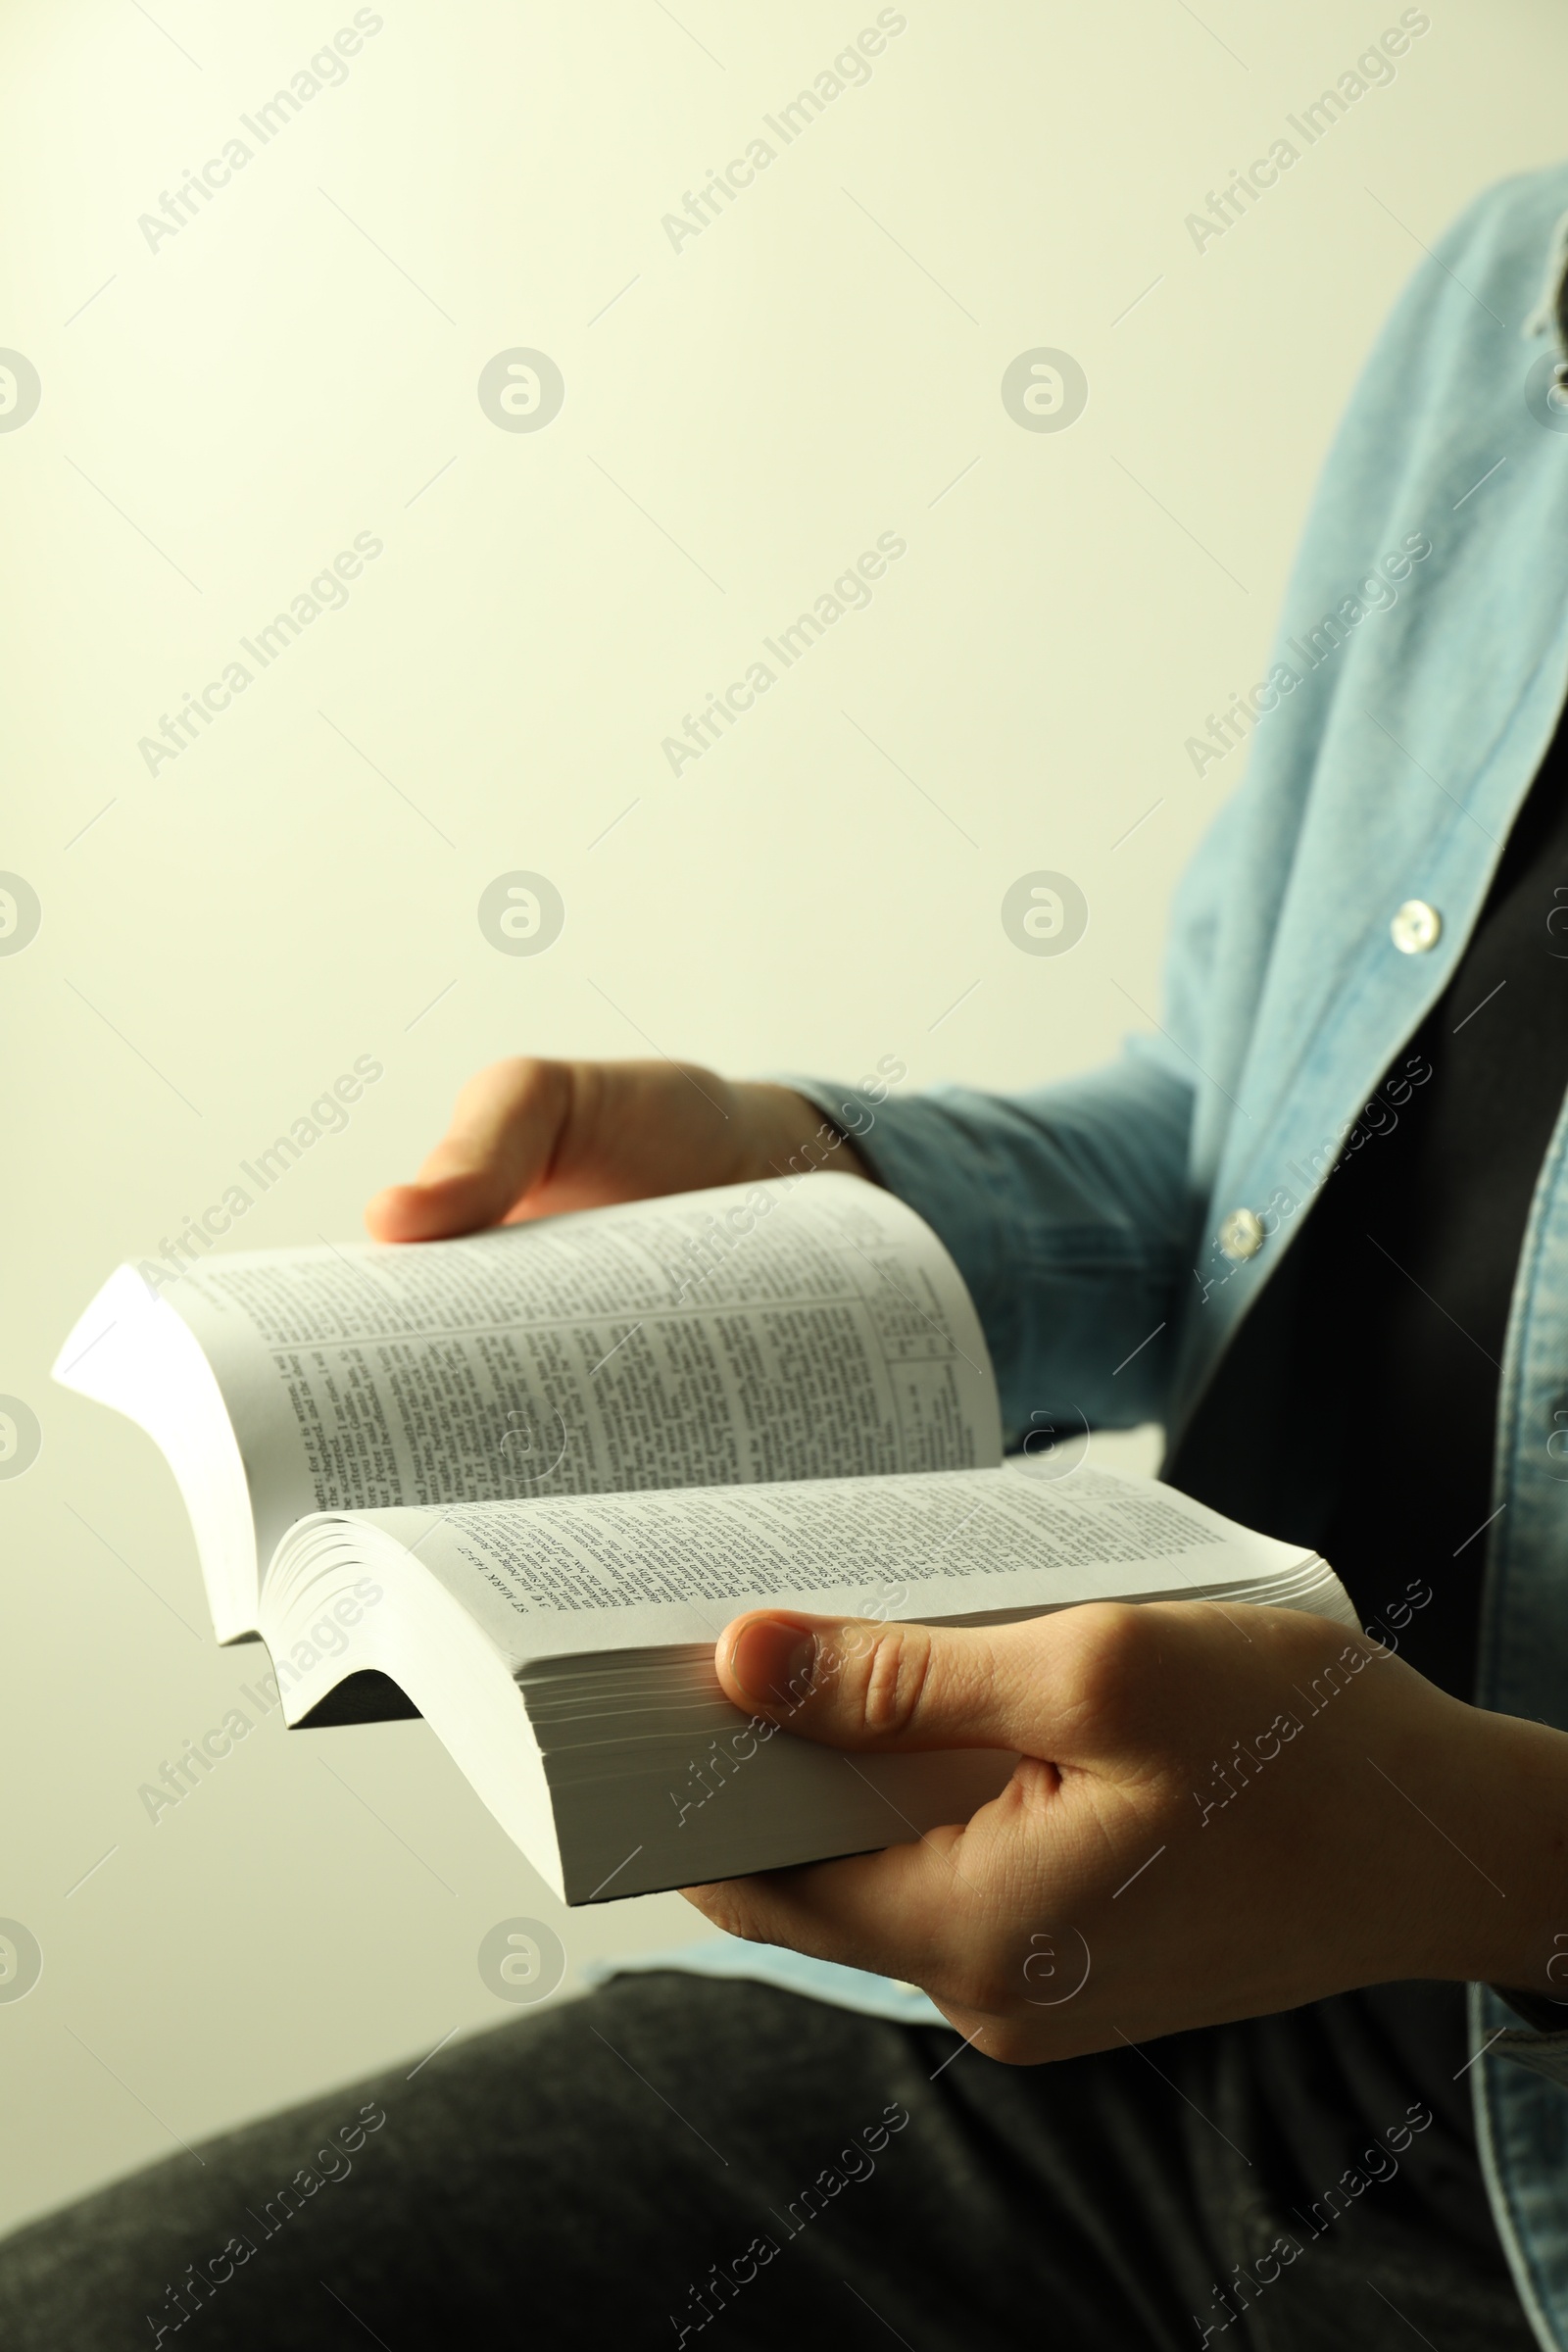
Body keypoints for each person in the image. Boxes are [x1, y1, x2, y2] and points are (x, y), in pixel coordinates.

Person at [10, 162, 1568, 2352]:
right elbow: (1245, 1151)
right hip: (1137, 2051)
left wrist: (1491, 1854)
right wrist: (831, 1187)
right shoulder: (1508, 297)